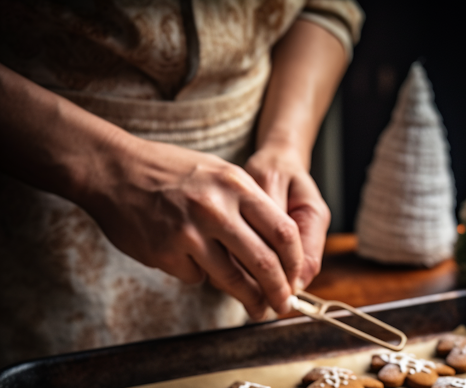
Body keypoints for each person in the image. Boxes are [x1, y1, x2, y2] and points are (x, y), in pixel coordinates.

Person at [0, 1, 363, 367]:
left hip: (246, 218)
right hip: (35, 215)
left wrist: (285, 145)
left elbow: (324, 8)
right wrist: (108, 169)